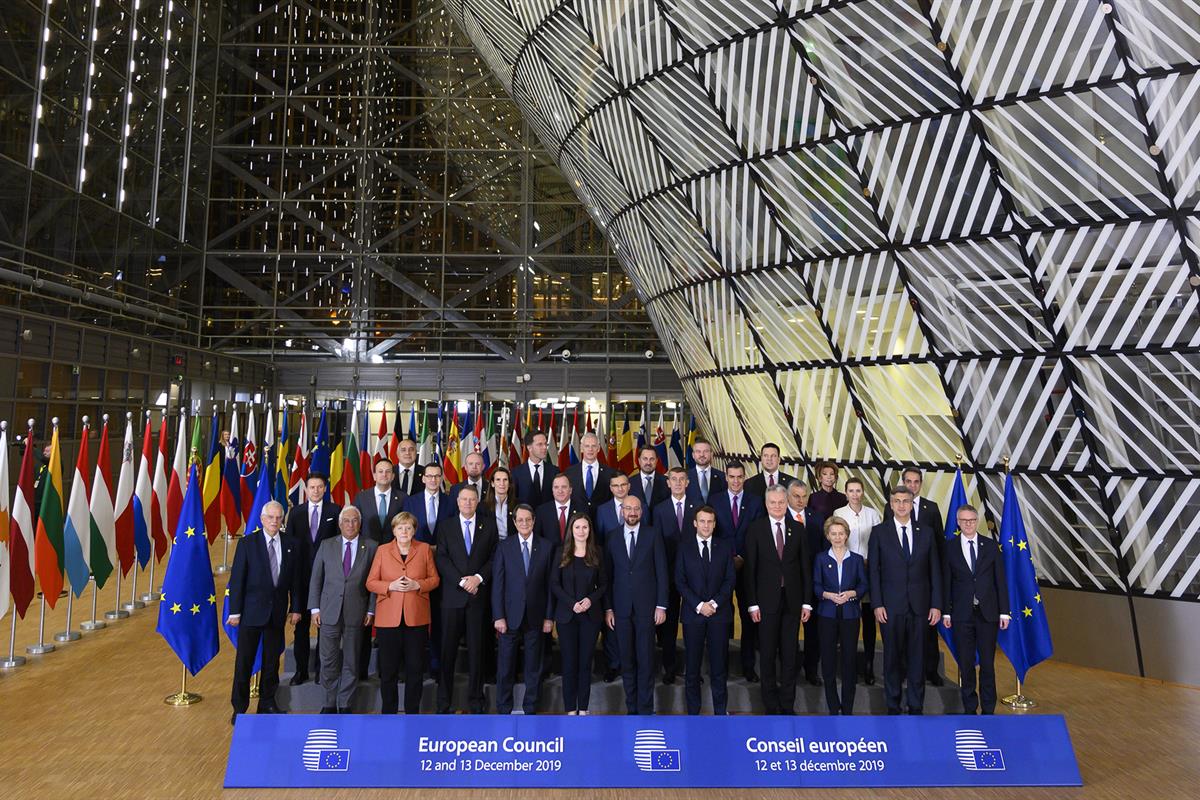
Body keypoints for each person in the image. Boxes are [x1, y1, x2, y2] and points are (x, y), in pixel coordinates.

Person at [869, 485, 942, 715]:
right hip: (890, 606)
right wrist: (877, 603)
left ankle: (915, 704)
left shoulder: (927, 532)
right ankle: (893, 704)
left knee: (917, 658)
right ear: (891, 505)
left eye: (906, 501)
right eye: (897, 501)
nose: (901, 505)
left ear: (912, 504)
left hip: (920, 606)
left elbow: (935, 572)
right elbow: (874, 572)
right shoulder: (879, 532)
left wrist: (936, 604)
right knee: (891, 657)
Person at [227, 501, 300, 724]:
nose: (275, 521)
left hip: (276, 614)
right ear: (262, 519)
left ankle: (267, 702)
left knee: (271, 662)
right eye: (271, 517)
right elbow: (237, 579)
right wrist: (235, 612)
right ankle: (239, 708)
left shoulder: (291, 544)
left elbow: (296, 580)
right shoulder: (248, 544)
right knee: (244, 662)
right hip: (250, 613)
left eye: (279, 518)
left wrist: (295, 607)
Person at [744, 485, 813, 715]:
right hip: (765, 603)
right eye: (772, 502)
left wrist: (806, 602)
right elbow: (750, 569)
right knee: (767, 653)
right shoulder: (756, 529)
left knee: (790, 654)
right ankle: (771, 705)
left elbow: (805, 568)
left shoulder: (798, 529)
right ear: (766, 504)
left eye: (781, 502)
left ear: (787, 502)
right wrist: (752, 603)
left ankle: (787, 703)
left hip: (793, 602)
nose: (777, 506)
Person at [367, 512, 440, 714]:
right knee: (388, 670)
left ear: (414, 530)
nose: (405, 531)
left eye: (408, 527)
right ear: (394, 530)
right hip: (388, 619)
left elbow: (435, 580)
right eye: (400, 528)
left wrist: (418, 584)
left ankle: (412, 712)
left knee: (415, 669)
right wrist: (390, 585)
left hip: (416, 618)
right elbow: (370, 582)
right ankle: (389, 712)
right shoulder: (382, 551)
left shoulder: (424, 549)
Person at [434, 484, 498, 714]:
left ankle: (476, 701)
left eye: (472, 499)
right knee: (447, 652)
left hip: (478, 598)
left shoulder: (489, 526)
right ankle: (443, 703)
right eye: (464, 500)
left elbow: (494, 557)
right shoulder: (446, 526)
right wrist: (462, 581)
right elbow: (441, 558)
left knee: (476, 653)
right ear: (457, 502)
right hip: (452, 597)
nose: (468, 503)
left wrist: (478, 578)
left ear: (477, 502)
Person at [308, 506, 378, 713]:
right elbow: (316, 579)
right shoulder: (326, 545)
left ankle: (345, 702)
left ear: (360, 523)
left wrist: (371, 610)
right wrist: (314, 609)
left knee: (351, 660)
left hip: (357, 612)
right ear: (339, 524)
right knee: (328, 659)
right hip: (328, 612)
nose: (350, 524)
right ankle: (329, 703)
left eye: (354, 520)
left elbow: (374, 582)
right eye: (346, 521)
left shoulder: (371, 546)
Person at [942, 504, 1010, 715]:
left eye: (971, 520)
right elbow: (946, 582)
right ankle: (970, 707)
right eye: (964, 521)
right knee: (966, 663)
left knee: (988, 664)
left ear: (977, 521)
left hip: (987, 614)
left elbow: (1000, 580)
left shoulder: (990, 546)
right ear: (958, 522)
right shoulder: (949, 547)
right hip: (961, 614)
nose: (968, 524)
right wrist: (946, 611)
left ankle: (988, 708)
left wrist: (1004, 611)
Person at [604, 495, 668, 715]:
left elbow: (662, 572)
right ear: (622, 511)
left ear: (641, 512)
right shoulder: (612, 537)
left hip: (647, 609)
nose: (632, 513)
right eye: (628, 508)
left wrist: (662, 605)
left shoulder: (653, 535)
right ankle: (631, 708)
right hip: (620, 609)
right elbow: (607, 577)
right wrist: (609, 608)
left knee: (646, 659)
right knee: (627, 660)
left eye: (636, 509)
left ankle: (646, 707)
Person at [492, 504, 555, 714]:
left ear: (534, 521)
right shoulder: (504, 546)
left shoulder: (546, 547)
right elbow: (498, 585)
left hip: (536, 617)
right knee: (505, 667)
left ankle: (531, 708)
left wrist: (548, 617)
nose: (524, 523)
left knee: (533, 669)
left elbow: (549, 585)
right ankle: (503, 708)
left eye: (528, 519)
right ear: (514, 522)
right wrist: (498, 616)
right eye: (520, 520)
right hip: (509, 618)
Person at [887, 467, 946, 686]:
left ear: (921, 484)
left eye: (915, 481)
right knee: (902, 633)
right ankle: (903, 671)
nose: (912, 485)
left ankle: (931, 671)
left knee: (928, 632)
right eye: (908, 481)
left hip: (925, 581)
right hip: (900, 585)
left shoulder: (931, 508)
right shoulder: (891, 507)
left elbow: (938, 544)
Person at [675, 506, 733, 715]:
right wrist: (699, 606)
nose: (706, 525)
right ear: (695, 523)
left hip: (719, 615)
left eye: (710, 522)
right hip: (693, 615)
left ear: (715, 524)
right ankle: (693, 713)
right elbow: (680, 581)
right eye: (702, 521)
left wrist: (714, 604)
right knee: (692, 669)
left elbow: (729, 580)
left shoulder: (725, 547)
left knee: (719, 669)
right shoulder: (684, 547)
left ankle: (720, 712)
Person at [710, 461, 763, 681]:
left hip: (747, 566)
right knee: (722, 616)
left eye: (739, 477)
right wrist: (728, 558)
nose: (735, 481)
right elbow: (712, 532)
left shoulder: (756, 501)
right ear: (726, 478)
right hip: (721, 568)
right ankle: (721, 665)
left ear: (744, 478)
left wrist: (742, 556)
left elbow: (757, 532)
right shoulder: (715, 501)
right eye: (732, 477)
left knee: (748, 616)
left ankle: (748, 666)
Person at [286, 473, 341, 685]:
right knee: (301, 627)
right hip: (301, 578)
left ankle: (321, 670)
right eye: (312, 487)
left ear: (325, 489)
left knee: (324, 628)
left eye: (319, 487)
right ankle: (301, 671)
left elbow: (337, 542)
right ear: (306, 490)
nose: (316, 491)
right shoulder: (296, 513)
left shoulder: (334, 511)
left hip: (327, 579)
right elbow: (290, 545)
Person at [551, 513, 606, 715]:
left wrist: (590, 600)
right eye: (577, 527)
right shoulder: (561, 553)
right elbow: (554, 584)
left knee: (585, 664)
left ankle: (583, 709)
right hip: (567, 616)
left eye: (585, 527)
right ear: (571, 531)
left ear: (589, 530)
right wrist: (571, 603)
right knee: (569, 664)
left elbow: (604, 584)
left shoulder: (597, 553)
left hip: (590, 618)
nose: (581, 531)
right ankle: (569, 710)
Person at [813, 516, 867, 715]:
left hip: (850, 614)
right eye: (833, 534)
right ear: (828, 536)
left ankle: (848, 708)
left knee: (849, 661)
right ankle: (833, 707)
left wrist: (852, 593)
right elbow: (816, 585)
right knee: (828, 660)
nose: (838, 537)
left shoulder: (856, 559)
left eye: (841, 533)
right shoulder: (820, 558)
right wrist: (827, 595)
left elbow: (863, 585)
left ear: (847, 535)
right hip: (827, 613)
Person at [833, 478, 881, 684]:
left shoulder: (873, 514)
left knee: (869, 621)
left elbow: (878, 542)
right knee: (847, 620)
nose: (854, 494)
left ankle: (869, 665)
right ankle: (846, 666)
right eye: (851, 490)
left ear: (863, 492)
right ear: (846, 493)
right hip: (846, 569)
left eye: (858, 490)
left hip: (869, 570)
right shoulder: (838, 513)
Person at [652, 466, 696, 685]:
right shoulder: (659, 510)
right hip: (668, 577)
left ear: (688, 482)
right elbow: (657, 546)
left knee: (692, 626)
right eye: (674, 479)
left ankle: (693, 671)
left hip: (693, 578)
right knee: (668, 628)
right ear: (667, 483)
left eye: (682, 479)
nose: (678, 483)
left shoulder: (698, 507)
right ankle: (669, 669)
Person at [787, 480, 827, 686]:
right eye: (796, 496)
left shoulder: (817, 518)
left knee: (814, 632)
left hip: (812, 584)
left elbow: (822, 552)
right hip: (788, 586)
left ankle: (812, 670)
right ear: (788, 496)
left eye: (804, 496)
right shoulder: (779, 518)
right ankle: (790, 669)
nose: (801, 500)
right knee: (789, 631)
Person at [353, 458, 405, 544]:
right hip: (367, 549)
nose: (384, 474)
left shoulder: (403, 498)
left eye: (388, 471)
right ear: (374, 476)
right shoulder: (361, 498)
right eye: (380, 471)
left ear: (393, 476)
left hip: (394, 548)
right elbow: (355, 524)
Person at [564, 433, 614, 515]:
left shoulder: (609, 473)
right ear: (581, 448)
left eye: (594, 446)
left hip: (602, 520)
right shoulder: (569, 473)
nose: (590, 449)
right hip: (577, 521)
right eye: (587, 446)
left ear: (598, 448)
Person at [402, 463, 451, 544]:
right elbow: (406, 528)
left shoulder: (451, 501)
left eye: (437, 476)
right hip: (418, 551)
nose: (433, 480)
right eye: (429, 476)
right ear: (423, 479)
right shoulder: (410, 502)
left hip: (443, 552)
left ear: (442, 478)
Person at [514, 430, 559, 508]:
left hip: (548, 518)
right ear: (529, 448)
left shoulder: (554, 471)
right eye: (540, 444)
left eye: (545, 444)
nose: (544, 447)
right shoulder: (516, 473)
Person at [534, 474, 584, 543]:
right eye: (556, 487)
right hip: (550, 553)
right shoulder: (541, 511)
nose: (560, 491)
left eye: (564, 487)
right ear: (552, 490)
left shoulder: (582, 509)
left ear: (570, 490)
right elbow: (537, 538)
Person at [629, 445, 669, 523]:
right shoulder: (629, 483)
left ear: (657, 461)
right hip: (638, 528)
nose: (648, 463)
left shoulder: (667, 482)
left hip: (660, 528)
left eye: (652, 459)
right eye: (645, 459)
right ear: (639, 461)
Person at [686, 437, 725, 505]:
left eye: (706, 451)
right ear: (693, 455)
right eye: (698, 451)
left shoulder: (722, 477)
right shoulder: (685, 477)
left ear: (711, 454)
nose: (702, 455)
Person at [483, 466, 516, 541]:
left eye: (505, 480)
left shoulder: (518, 505)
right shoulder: (482, 507)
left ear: (509, 484)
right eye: (498, 480)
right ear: (492, 483)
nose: (502, 483)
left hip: (512, 546)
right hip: (491, 548)